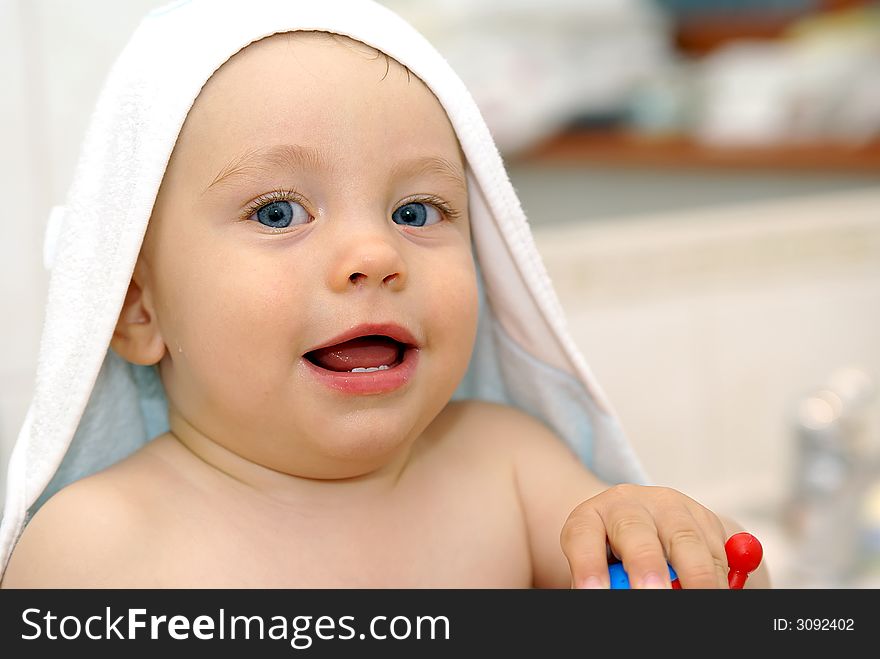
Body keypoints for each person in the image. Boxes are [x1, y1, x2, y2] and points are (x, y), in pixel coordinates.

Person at [0, 0, 768, 589]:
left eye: (415, 212)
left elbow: (739, 593)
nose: (375, 254)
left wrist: (679, 538)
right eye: (277, 212)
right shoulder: (97, 549)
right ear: (139, 309)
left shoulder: (506, 468)